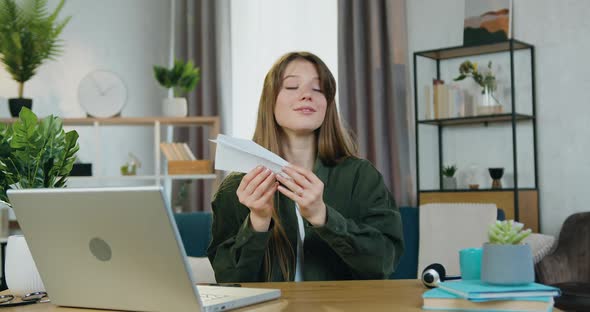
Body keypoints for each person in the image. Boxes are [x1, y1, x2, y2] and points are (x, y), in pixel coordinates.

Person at [207, 51, 404, 282]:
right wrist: (257, 222)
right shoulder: (237, 187)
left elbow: (384, 262)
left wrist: (323, 217)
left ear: (327, 104)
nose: (306, 95)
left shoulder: (362, 177)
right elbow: (227, 280)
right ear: (270, 101)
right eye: (291, 86)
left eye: (318, 89)